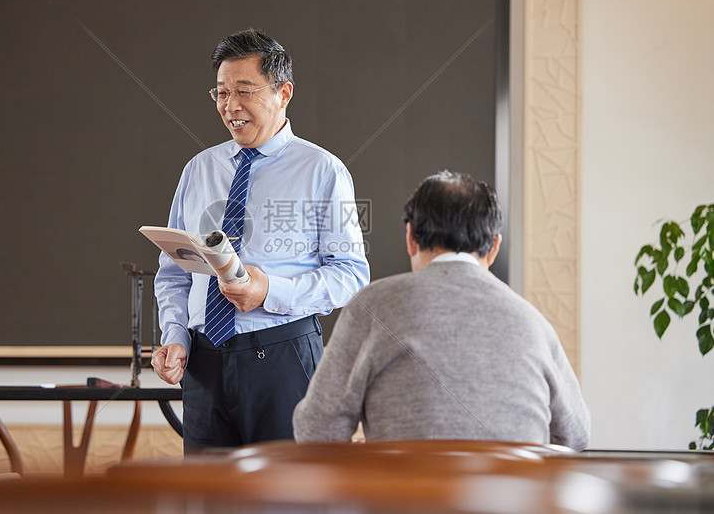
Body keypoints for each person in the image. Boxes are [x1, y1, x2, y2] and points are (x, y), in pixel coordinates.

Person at [151, 28, 370, 452]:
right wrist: (175, 333)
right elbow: (174, 273)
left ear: (283, 93)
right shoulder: (198, 169)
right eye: (220, 93)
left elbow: (352, 274)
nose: (230, 106)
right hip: (203, 362)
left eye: (245, 91)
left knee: (287, 497)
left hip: (283, 358)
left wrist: (269, 289)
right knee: (207, 499)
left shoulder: (323, 171)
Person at [292, 170, 590, 450]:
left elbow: (317, 429)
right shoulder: (533, 322)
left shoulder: (372, 307)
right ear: (494, 246)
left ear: (411, 238)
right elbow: (575, 435)